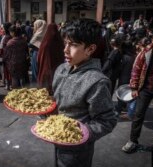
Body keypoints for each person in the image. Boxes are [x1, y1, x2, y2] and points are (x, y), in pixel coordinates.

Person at [52, 18, 117, 167]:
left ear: (90, 49)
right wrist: (47, 111)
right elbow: (57, 103)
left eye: (73, 45)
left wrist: (79, 133)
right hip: (55, 137)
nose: (65, 49)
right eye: (65, 43)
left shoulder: (96, 82)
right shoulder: (61, 69)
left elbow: (107, 121)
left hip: (77, 149)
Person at [37, 23, 64, 95]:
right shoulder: (60, 41)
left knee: (47, 87)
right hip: (58, 66)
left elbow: (40, 55)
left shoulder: (45, 42)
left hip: (46, 67)